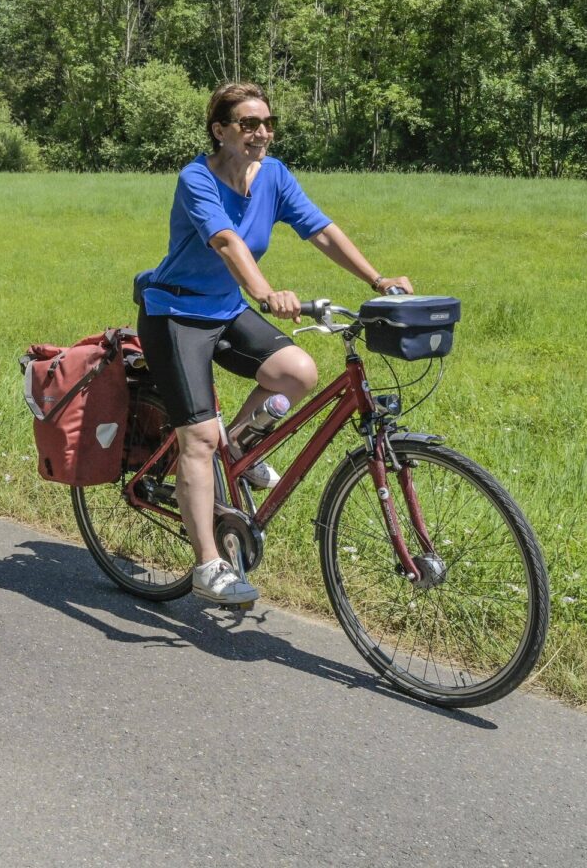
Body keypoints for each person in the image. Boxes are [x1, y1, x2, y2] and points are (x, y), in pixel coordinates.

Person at [135, 81, 410, 606]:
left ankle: (233, 447)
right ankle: (208, 564)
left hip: (225, 309)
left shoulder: (275, 176)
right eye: (247, 124)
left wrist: (376, 280)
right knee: (196, 437)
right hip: (176, 313)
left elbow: (320, 230)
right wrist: (263, 291)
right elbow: (225, 241)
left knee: (297, 372)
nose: (261, 133)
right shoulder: (197, 177)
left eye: (266, 123)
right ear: (221, 131)